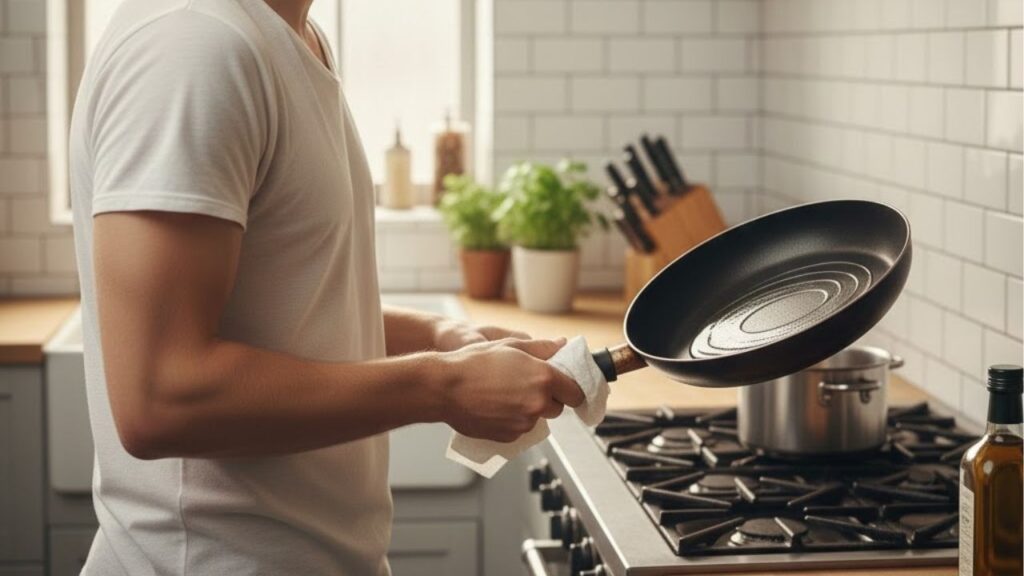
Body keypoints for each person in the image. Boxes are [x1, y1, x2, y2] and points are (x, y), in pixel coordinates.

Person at [68, 0, 585, 573]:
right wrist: (443, 385)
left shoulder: (290, 36)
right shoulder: (193, 45)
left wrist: (441, 337)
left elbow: (288, 308)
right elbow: (161, 398)